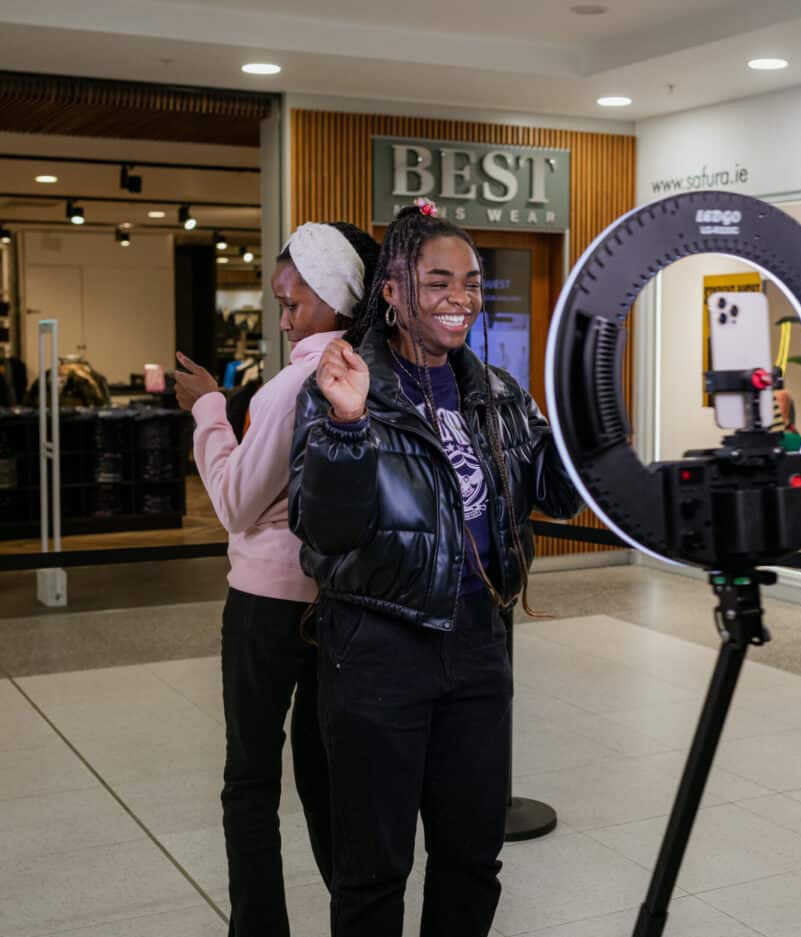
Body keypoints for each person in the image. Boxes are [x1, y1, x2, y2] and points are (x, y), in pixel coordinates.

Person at [288, 199, 581, 937]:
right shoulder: (344, 384)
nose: (462, 300)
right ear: (392, 290)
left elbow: (556, 495)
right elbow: (321, 529)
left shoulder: (499, 394)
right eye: (440, 282)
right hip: (377, 650)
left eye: (473, 283)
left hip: (480, 646)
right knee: (372, 872)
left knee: (471, 858)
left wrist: (589, 425)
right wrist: (350, 428)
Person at [173, 221, 380, 937]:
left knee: (251, 779)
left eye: (294, 301)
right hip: (341, 603)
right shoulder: (371, 371)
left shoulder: (297, 382)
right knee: (327, 781)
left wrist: (206, 408)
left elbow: (234, 501)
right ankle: (360, 918)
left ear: (333, 297)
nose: (284, 315)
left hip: (266, 604)